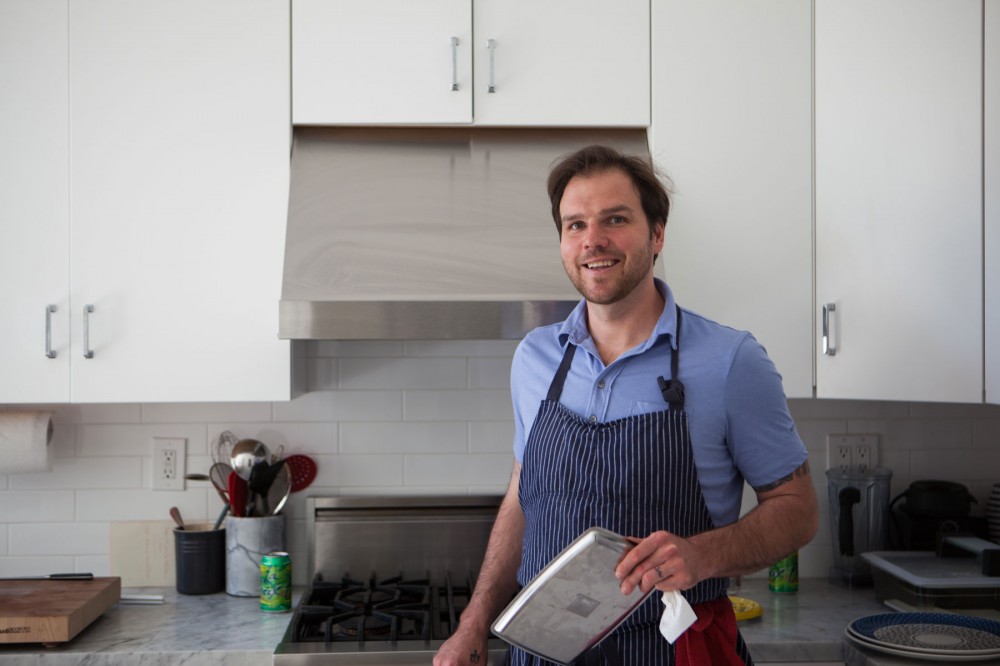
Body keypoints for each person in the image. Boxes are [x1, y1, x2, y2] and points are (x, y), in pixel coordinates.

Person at [433, 145, 818, 666]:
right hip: (542, 655)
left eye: (615, 219)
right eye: (575, 225)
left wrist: (702, 555)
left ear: (657, 234)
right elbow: (524, 495)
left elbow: (798, 510)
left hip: (674, 653)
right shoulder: (536, 359)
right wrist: (474, 622)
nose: (593, 239)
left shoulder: (731, 362)